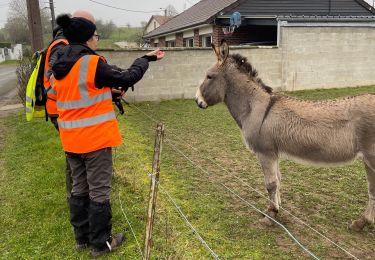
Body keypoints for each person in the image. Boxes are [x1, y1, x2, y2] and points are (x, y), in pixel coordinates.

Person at [51, 14, 164, 257]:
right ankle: (101, 243)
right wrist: (145, 58)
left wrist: (107, 93)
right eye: (96, 36)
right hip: (95, 140)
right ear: (89, 38)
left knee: (79, 188)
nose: (97, 40)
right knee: (99, 192)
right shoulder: (91, 63)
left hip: (70, 139)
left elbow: (78, 95)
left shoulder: (59, 64)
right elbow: (127, 77)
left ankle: (82, 238)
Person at [44, 10, 97, 200]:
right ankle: (77, 197)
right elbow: (56, 76)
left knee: (76, 154)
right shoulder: (63, 45)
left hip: (62, 107)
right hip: (61, 109)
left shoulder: (63, 42)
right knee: (75, 155)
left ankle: (80, 195)